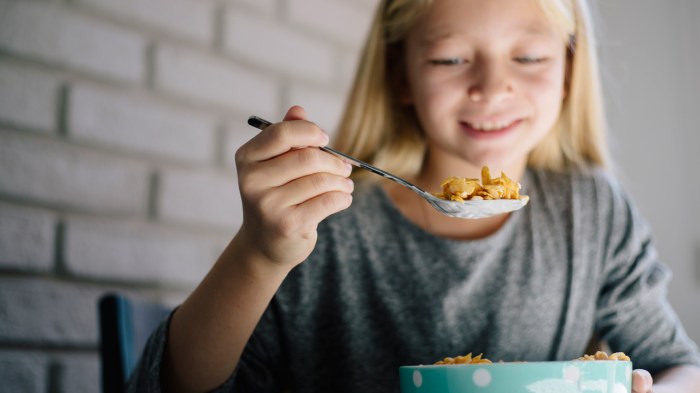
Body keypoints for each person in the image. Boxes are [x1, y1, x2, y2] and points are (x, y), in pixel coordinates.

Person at [128, 0, 700, 392]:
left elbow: (681, 366)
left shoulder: (591, 213)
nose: (491, 86)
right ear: (401, 74)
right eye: (450, 58)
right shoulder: (324, 219)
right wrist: (259, 253)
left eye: (528, 57)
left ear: (571, 70)